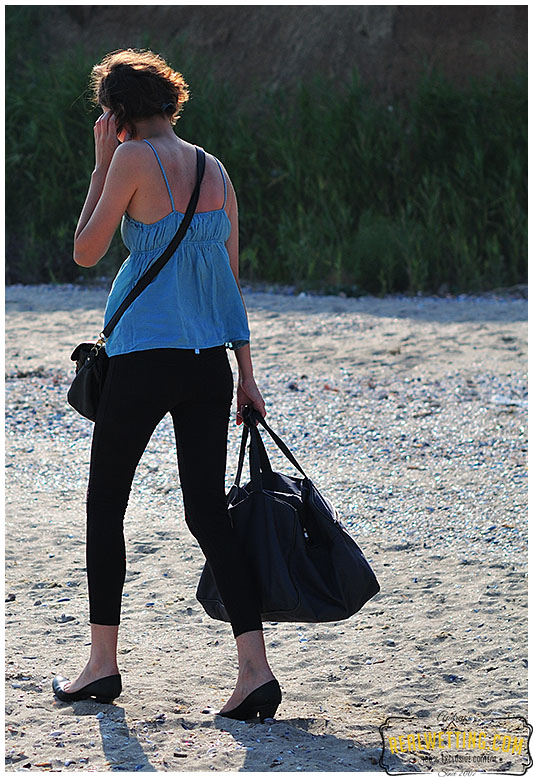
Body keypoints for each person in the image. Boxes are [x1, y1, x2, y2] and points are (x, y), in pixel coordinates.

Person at [52, 48, 282, 722]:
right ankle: (254, 671)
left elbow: (85, 250)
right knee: (207, 512)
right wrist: (246, 373)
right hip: (207, 360)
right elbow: (227, 283)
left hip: (143, 357)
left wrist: (99, 165)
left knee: (105, 505)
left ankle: (101, 664)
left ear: (117, 112)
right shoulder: (214, 168)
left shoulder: (128, 159)